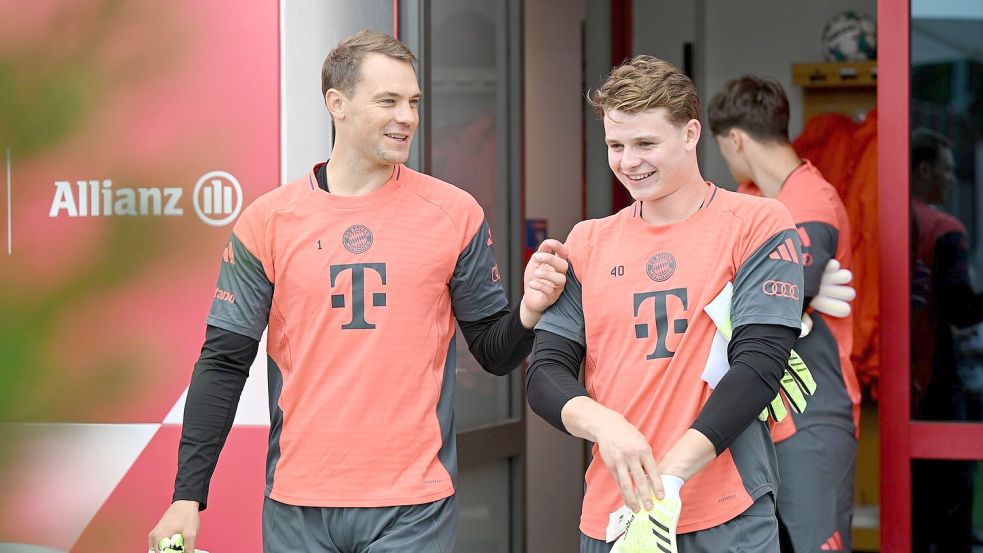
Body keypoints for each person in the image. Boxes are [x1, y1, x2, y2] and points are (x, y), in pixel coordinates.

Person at [147, 30, 569, 553]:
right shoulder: (267, 222)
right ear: (337, 104)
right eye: (388, 101)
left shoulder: (455, 214)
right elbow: (224, 362)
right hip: (298, 503)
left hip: (414, 506)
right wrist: (188, 495)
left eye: (413, 102)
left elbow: (494, 351)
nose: (407, 117)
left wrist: (529, 312)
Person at [527, 55, 805, 552]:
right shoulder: (588, 241)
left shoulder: (756, 223)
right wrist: (604, 425)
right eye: (616, 145)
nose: (629, 161)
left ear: (692, 133)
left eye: (646, 143)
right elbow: (545, 373)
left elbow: (759, 368)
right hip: (615, 519)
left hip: (727, 517)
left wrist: (669, 480)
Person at [708, 75, 859, 553]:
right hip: (759, 418)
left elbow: (783, 300)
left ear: (735, 139)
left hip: (812, 411)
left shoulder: (811, 202)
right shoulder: (752, 202)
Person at [909, 128, 983, 553]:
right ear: (924, 169)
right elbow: (961, 310)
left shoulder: (891, 216)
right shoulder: (943, 228)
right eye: (947, 170)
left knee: (913, 502)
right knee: (952, 496)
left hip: (898, 378)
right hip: (938, 377)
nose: (952, 179)